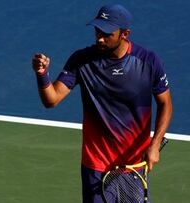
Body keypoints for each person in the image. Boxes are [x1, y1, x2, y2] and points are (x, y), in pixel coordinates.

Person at [32, 4, 172, 202]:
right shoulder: (82, 60)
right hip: (95, 166)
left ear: (125, 34)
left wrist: (155, 144)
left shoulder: (148, 61)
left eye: (107, 34)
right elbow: (51, 99)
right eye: (98, 30)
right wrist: (42, 75)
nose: (99, 38)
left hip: (133, 166)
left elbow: (165, 103)